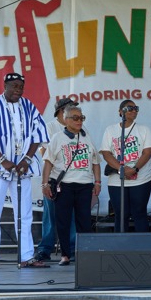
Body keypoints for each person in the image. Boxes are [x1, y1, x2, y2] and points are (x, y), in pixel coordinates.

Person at [0, 73, 49, 269]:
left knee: (24, 213)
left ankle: (26, 256)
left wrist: (27, 159)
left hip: (22, 169)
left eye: (21, 87)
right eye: (14, 86)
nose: (18, 90)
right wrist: (3, 160)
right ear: (5, 85)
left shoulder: (29, 106)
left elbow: (39, 134)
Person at [41, 105, 101, 266]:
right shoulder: (57, 138)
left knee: (84, 221)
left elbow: (96, 162)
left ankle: (85, 253)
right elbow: (48, 162)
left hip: (85, 185)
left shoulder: (87, 137)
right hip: (64, 186)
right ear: (65, 120)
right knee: (63, 221)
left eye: (81, 118)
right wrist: (45, 184)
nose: (79, 121)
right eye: (75, 118)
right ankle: (65, 255)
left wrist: (97, 182)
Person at [100, 99, 151, 232]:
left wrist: (135, 169)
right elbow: (106, 153)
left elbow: (148, 152)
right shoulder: (110, 130)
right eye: (130, 108)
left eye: (136, 108)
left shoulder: (144, 129)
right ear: (121, 112)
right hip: (117, 180)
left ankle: (142, 244)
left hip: (141, 179)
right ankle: (119, 244)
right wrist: (122, 169)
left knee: (139, 213)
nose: (134, 110)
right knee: (120, 214)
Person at [34, 97, 77, 262]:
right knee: (50, 216)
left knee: (71, 215)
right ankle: (45, 249)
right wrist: (47, 181)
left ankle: (72, 248)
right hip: (54, 178)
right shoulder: (50, 127)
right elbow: (44, 153)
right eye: (71, 107)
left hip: (74, 179)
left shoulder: (79, 127)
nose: (75, 110)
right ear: (61, 111)